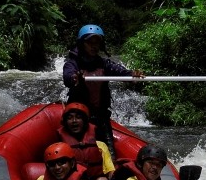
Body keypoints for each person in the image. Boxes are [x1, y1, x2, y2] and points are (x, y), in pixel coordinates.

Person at [62, 24, 145, 156]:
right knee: (80, 152)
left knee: (110, 154)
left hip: (100, 116)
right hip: (79, 117)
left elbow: (119, 71)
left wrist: (131, 74)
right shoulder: (73, 63)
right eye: (90, 42)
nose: (94, 46)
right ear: (82, 44)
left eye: (97, 43)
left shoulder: (103, 64)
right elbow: (67, 77)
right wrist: (74, 78)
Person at [56, 102, 114, 180]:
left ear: (85, 121)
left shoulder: (100, 145)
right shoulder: (60, 147)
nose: (74, 121)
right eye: (70, 118)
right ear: (65, 123)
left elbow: (110, 170)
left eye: (78, 117)